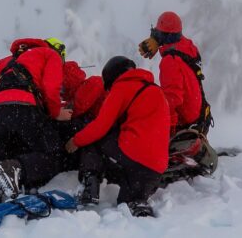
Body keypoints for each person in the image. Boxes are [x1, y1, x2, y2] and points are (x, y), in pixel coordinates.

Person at [65, 56, 170, 217]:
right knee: (127, 202)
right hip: (155, 168)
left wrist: (76, 140)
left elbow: (100, 126)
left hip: (134, 154)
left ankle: (90, 186)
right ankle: (137, 201)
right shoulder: (156, 90)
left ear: (113, 77)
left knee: (92, 138)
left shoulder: (122, 87)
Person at [0, 37, 66, 203]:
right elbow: (51, 89)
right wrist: (55, 113)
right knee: (52, 155)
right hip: (25, 109)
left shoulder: (5, 62)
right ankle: (17, 171)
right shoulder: (49, 54)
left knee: (0, 159)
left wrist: (2, 102)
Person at [137, 11, 213, 135]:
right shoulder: (188, 46)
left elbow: (172, 99)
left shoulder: (170, 61)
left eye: (158, 33)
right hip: (200, 117)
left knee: (151, 101)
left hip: (186, 124)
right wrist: (157, 40)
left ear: (163, 36)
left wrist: (167, 131)